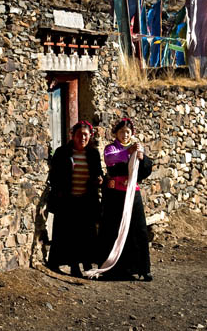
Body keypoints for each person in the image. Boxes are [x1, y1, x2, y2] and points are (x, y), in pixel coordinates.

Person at [98, 117, 154, 281]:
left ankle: (142, 268)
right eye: (121, 131)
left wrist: (142, 158)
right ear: (116, 133)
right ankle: (111, 269)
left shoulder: (136, 147)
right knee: (112, 229)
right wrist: (126, 153)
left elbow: (146, 169)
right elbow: (110, 160)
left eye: (127, 132)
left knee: (138, 230)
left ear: (132, 133)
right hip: (115, 195)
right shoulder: (111, 148)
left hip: (132, 193)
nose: (125, 134)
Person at [46, 121, 103, 277]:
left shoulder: (93, 154)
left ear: (90, 137)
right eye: (79, 135)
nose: (82, 138)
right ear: (73, 136)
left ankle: (86, 263)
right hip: (67, 200)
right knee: (68, 234)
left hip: (86, 200)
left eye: (85, 135)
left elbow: (99, 173)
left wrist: (100, 179)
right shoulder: (62, 152)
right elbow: (54, 176)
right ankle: (72, 266)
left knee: (86, 234)